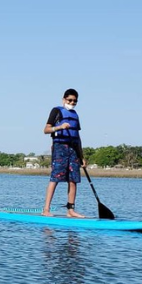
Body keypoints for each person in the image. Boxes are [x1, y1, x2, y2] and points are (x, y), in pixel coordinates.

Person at [43, 89, 86, 218]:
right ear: (64, 99)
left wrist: (82, 156)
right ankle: (46, 209)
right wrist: (59, 127)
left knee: (73, 180)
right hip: (60, 148)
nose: (72, 103)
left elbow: (77, 137)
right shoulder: (56, 111)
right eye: (70, 100)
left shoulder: (75, 115)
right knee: (55, 178)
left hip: (73, 150)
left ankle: (70, 210)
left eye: (75, 101)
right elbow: (46, 130)